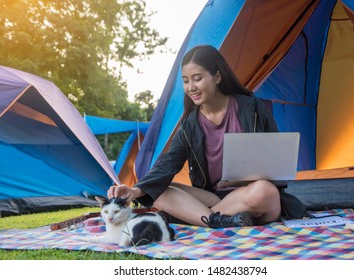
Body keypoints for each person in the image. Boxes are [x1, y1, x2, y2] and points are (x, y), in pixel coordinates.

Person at [108, 45, 281, 228]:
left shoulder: (251, 108)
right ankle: (220, 220)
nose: (191, 88)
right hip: (212, 196)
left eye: (197, 79)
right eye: (185, 81)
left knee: (264, 191)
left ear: (217, 76)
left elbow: (275, 154)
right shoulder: (190, 124)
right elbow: (168, 163)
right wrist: (134, 191)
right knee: (157, 191)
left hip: (251, 194)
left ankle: (196, 217)